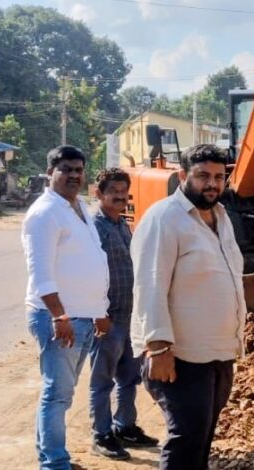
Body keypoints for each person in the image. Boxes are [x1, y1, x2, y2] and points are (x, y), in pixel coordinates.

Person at [131, 144, 246, 470]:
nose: (212, 184)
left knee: (202, 437)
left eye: (219, 177)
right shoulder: (165, 218)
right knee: (186, 438)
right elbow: (150, 285)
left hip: (218, 353)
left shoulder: (221, 216)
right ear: (183, 176)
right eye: (203, 176)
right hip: (180, 356)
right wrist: (158, 347)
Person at [22, 145, 110, 470]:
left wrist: (99, 310)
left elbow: (90, 259)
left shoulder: (78, 206)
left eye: (78, 170)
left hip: (82, 316)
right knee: (57, 394)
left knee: (61, 393)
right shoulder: (45, 213)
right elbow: (41, 273)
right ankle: (55, 463)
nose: (74, 175)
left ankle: (50, 456)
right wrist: (59, 315)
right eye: (66, 169)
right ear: (50, 173)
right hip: (60, 318)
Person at [89, 168, 158, 460]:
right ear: (99, 193)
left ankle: (125, 427)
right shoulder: (93, 228)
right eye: (113, 191)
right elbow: (89, 273)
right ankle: (101, 434)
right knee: (102, 382)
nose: (120, 196)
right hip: (107, 319)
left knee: (130, 379)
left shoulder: (122, 225)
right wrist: (97, 313)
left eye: (123, 192)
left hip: (130, 318)